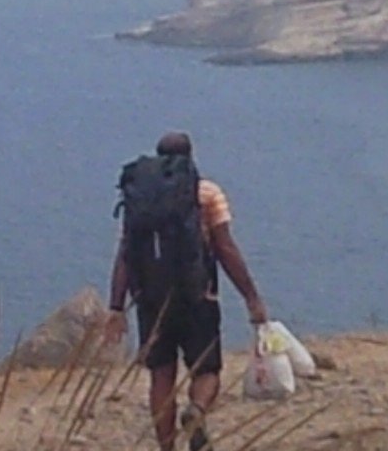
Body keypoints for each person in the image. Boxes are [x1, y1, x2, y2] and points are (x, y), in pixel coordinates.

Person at [104, 132, 267, 451]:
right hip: (197, 297)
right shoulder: (207, 193)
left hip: (151, 300)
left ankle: (167, 448)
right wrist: (251, 297)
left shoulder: (141, 197)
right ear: (191, 157)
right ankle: (198, 410)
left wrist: (116, 307)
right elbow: (225, 248)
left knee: (161, 377)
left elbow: (126, 254)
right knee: (206, 370)